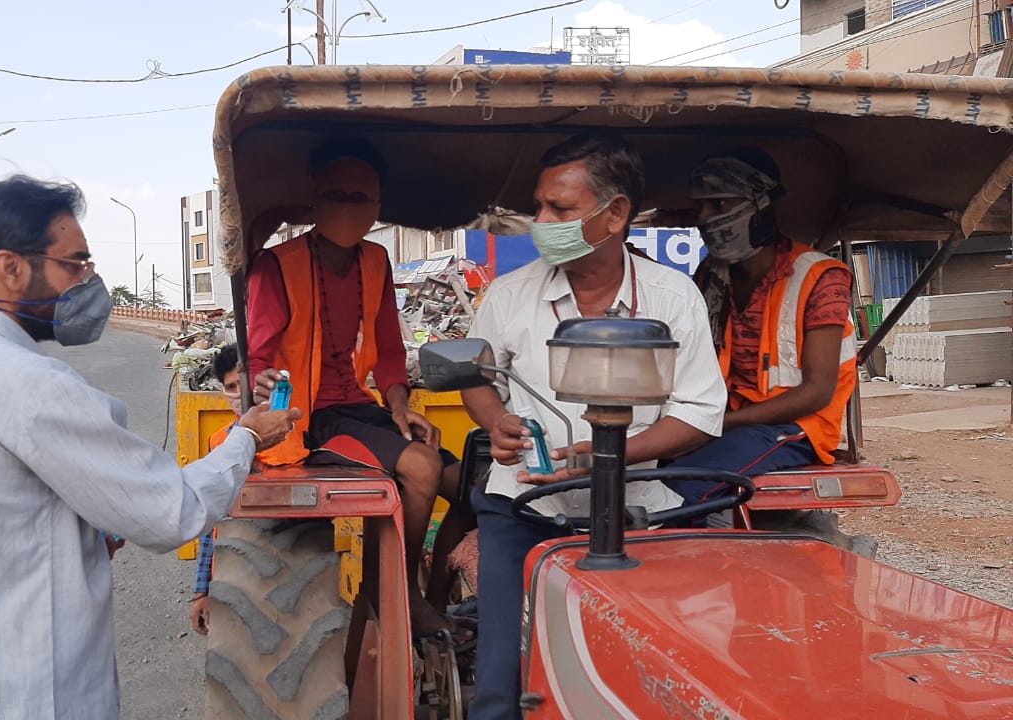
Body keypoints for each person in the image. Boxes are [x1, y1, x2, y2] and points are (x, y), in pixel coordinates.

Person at [0, 176, 299, 720]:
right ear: (10, 267)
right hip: (39, 697)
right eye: (75, 264)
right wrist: (245, 438)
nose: (87, 283)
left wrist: (4, 558)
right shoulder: (36, 386)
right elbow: (169, 512)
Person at [459, 133, 727, 719]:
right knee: (502, 685)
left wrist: (609, 456)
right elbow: (477, 377)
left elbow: (700, 413)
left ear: (616, 213)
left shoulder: (672, 296)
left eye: (560, 209)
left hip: (637, 511)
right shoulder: (507, 296)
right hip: (524, 513)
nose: (541, 222)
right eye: (539, 206)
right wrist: (498, 420)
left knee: (654, 674)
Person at [248, 140, 459, 634]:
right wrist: (260, 384)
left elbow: (388, 351)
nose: (348, 206)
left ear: (378, 207)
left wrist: (402, 406)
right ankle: (395, 595)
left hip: (359, 406)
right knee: (423, 467)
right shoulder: (276, 265)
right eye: (337, 194)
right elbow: (259, 352)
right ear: (315, 199)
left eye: (360, 198)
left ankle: (439, 600)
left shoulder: (376, 261)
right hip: (306, 418)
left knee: (474, 484)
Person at [663, 149, 856, 503]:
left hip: (796, 428)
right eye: (700, 207)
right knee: (634, 471)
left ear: (762, 206)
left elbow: (817, 392)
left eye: (719, 204)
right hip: (727, 419)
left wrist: (715, 425)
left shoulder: (820, 277)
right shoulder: (711, 276)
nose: (704, 218)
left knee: (678, 490)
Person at [189, 343, 243, 635]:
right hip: (229, 569)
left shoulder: (289, 441)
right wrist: (201, 591)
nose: (238, 394)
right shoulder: (219, 442)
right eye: (230, 386)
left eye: (242, 384)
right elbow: (212, 522)